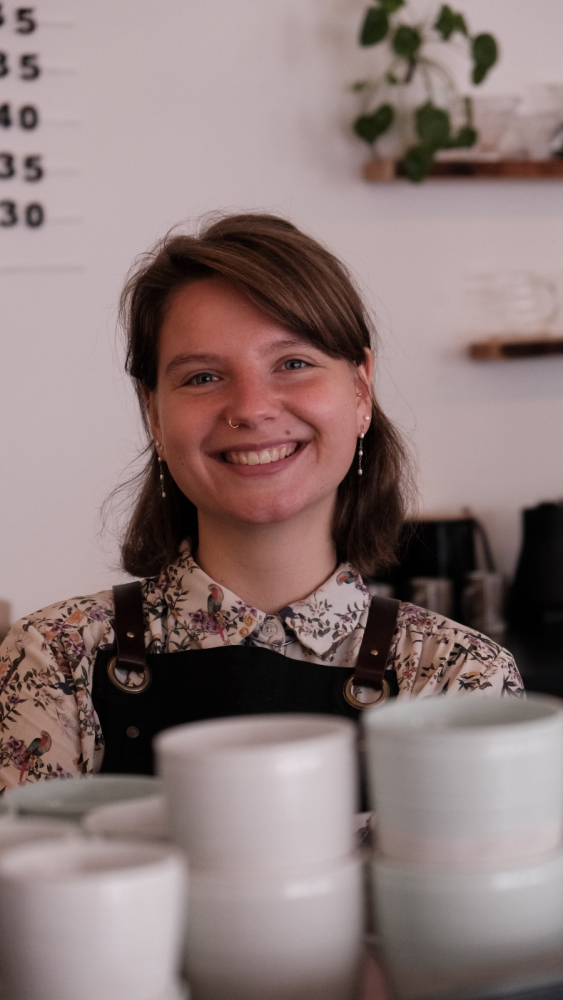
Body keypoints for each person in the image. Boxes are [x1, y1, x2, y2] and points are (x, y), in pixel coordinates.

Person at [0, 213, 523, 793]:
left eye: (293, 364)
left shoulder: (457, 673)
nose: (250, 408)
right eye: (202, 377)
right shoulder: (55, 656)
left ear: (360, 390)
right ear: (153, 412)